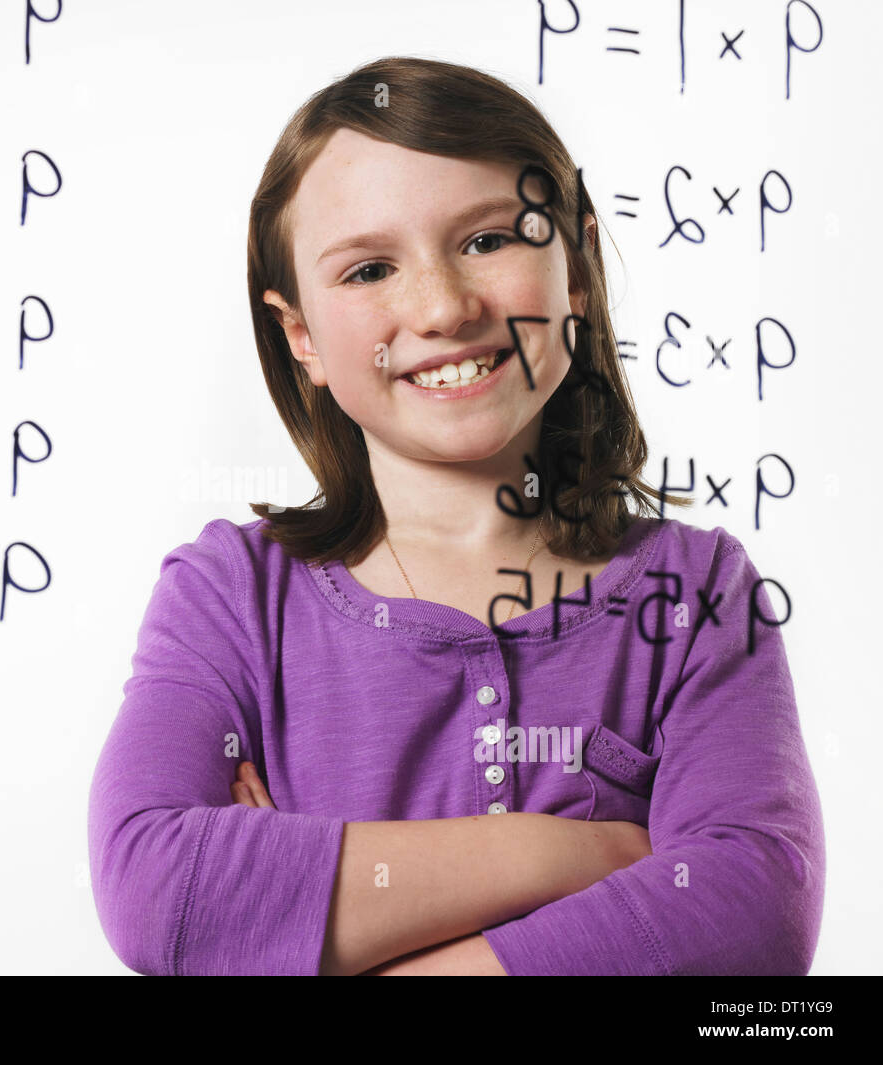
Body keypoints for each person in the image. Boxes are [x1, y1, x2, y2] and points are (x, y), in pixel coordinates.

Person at [87, 56, 825, 975]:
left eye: (486, 241)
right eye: (368, 269)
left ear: (578, 270)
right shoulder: (230, 596)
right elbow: (159, 889)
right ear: (301, 335)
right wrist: (584, 854)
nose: (441, 307)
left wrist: (320, 919)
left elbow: (754, 917)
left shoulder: (697, 595)